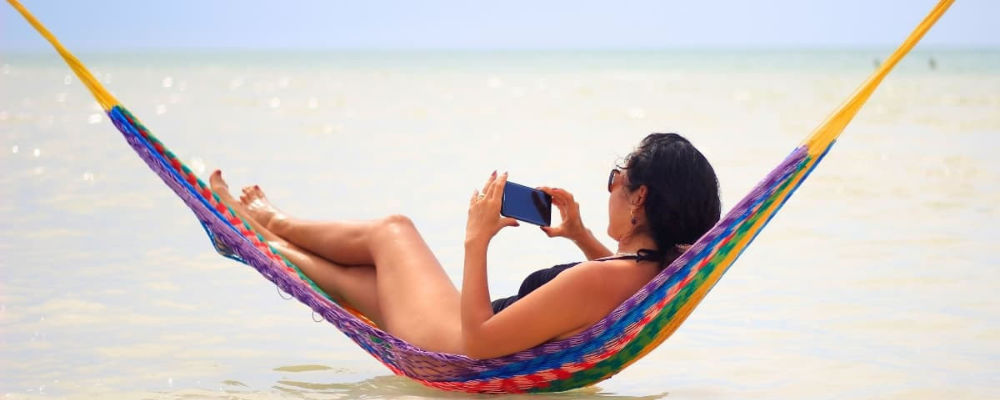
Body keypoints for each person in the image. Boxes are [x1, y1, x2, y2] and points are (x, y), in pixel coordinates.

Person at [209, 133, 720, 359]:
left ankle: (267, 219)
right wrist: (581, 235)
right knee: (355, 279)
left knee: (393, 230)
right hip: (462, 333)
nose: (609, 186)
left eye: (616, 178)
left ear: (641, 198)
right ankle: (255, 238)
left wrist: (477, 239)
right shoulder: (651, 273)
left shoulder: (604, 277)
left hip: (451, 345)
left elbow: (477, 343)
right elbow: (613, 282)